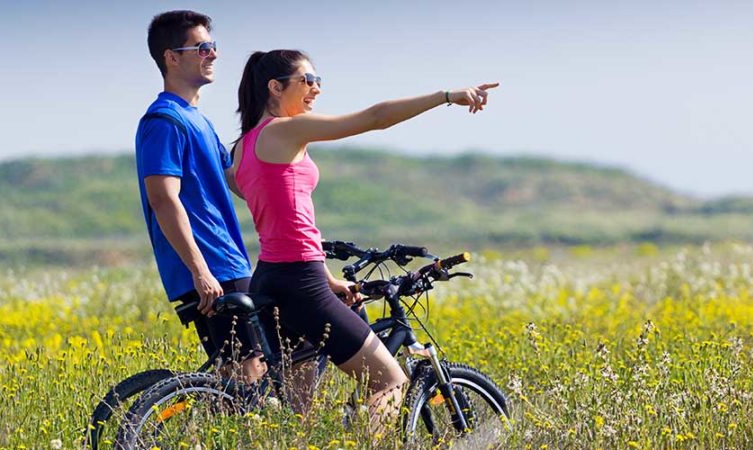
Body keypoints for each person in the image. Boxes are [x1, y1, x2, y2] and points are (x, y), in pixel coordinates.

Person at [231, 49, 497, 434]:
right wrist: (446, 97)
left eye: (318, 81)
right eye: (307, 80)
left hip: (273, 277)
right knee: (390, 382)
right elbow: (373, 118)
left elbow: (286, 221)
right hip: (300, 283)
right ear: (275, 87)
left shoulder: (243, 147)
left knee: (299, 419)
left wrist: (327, 276)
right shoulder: (284, 130)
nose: (316, 89)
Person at [135, 10, 262, 381]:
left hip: (229, 263)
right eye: (202, 47)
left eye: (213, 46)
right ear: (171, 57)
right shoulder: (163, 122)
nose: (213, 55)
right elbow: (163, 199)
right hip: (212, 270)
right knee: (246, 377)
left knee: (252, 374)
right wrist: (200, 270)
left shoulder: (199, 120)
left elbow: (240, 182)